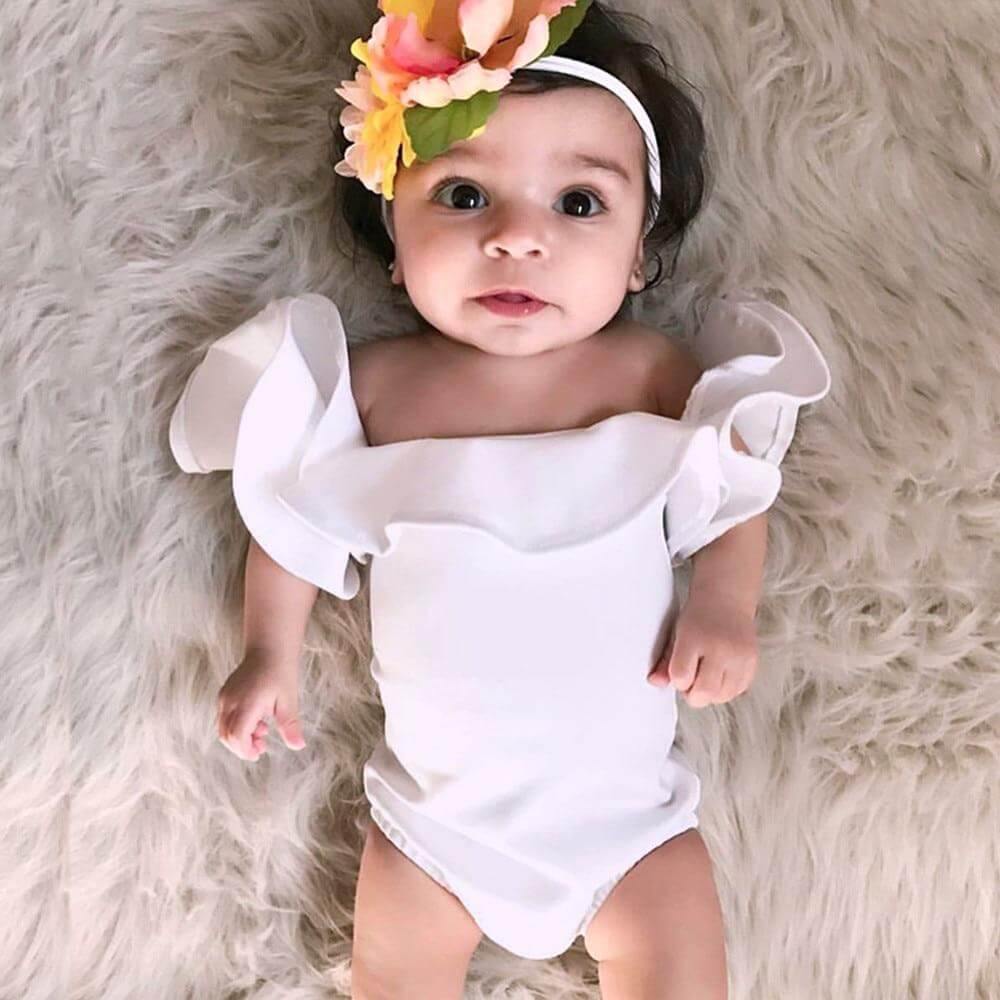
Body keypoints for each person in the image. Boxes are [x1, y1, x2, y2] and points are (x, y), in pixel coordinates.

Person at [168, 1, 832, 997]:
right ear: (394, 240)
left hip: (629, 824)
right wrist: (269, 653)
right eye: (465, 195)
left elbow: (735, 491)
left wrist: (723, 608)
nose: (518, 238)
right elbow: (292, 525)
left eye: (579, 204)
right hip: (433, 826)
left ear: (639, 254)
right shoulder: (376, 389)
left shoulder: (652, 375)